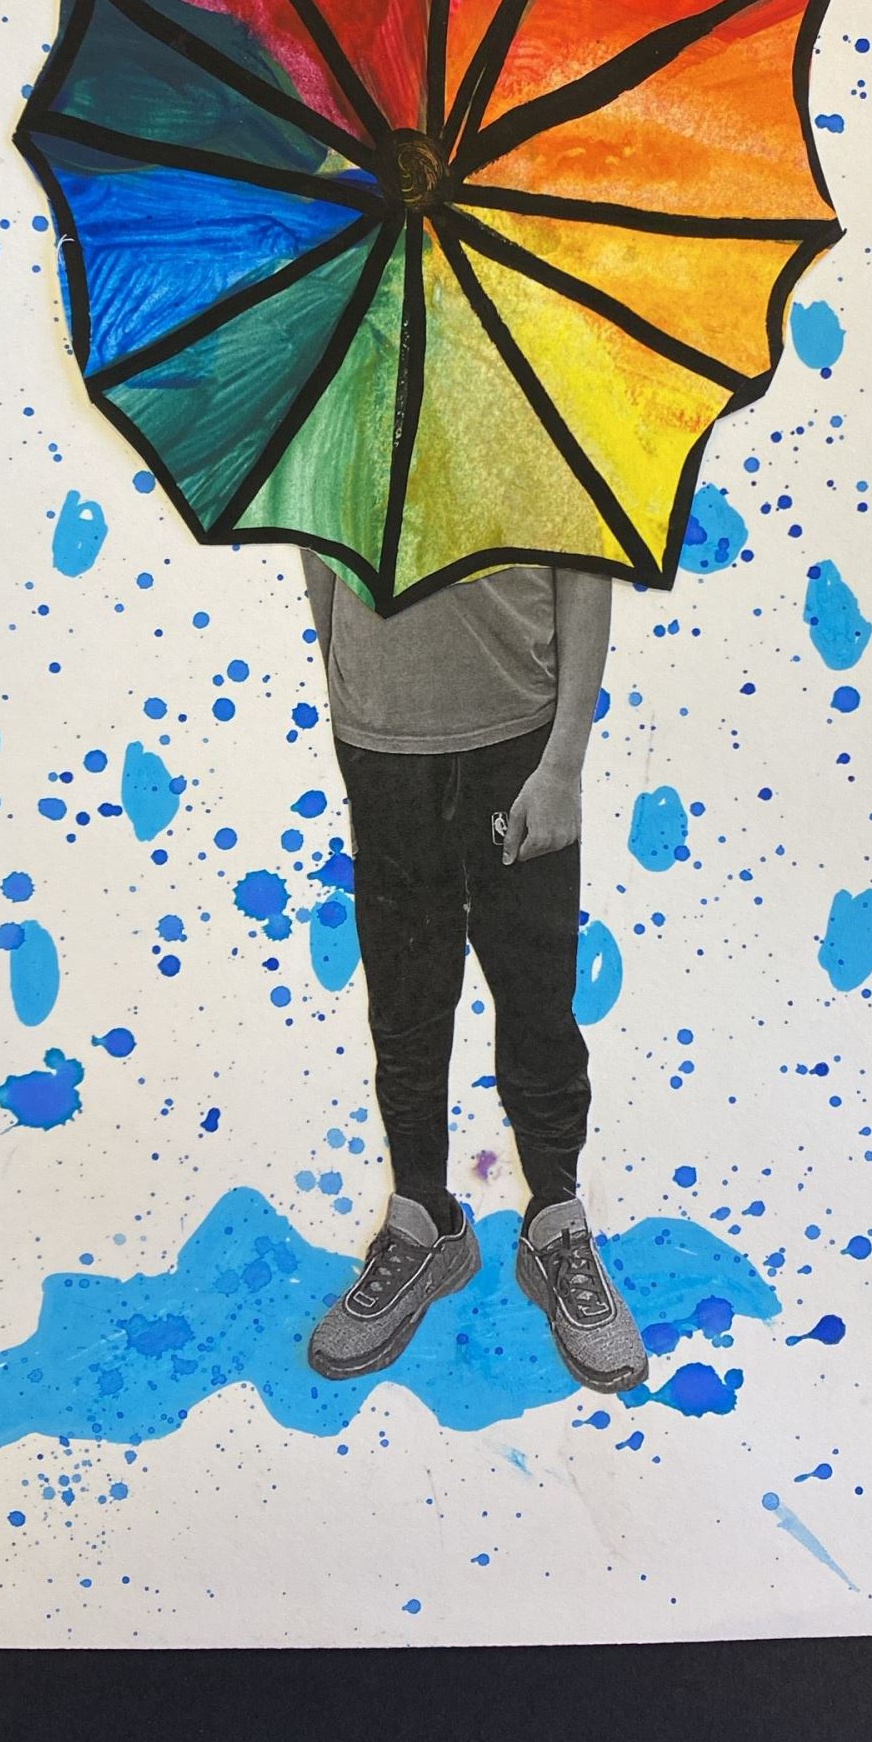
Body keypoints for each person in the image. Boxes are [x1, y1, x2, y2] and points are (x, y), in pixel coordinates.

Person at [299, 552, 648, 1395]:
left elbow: (583, 577)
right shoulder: (340, 452)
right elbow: (319, 562)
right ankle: (422, 1222)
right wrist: (361, 697)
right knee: (403, 1001)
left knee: (535, 994)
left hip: (516, 738)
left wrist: (562, 765)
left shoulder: (540, 453)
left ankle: (556, 1217)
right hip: (381, 745)